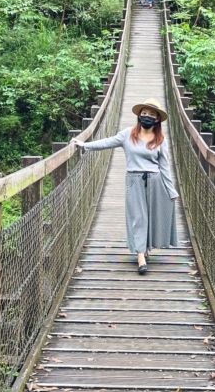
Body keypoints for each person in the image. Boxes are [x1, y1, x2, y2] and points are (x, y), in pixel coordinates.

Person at [73, 98, 179, 274]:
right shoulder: (128, 134)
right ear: (139, 115)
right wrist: (85, 145)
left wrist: (171, 190)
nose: (146, 117)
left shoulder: (160, 139)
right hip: (134, 181)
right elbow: (107, 142)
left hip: (155, 181)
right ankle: (140, 257)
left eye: (151, 114)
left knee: (151, 217)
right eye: (144, 113)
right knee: (138, 218)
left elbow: (165, 167)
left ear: (157, 119)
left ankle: (145, 248)